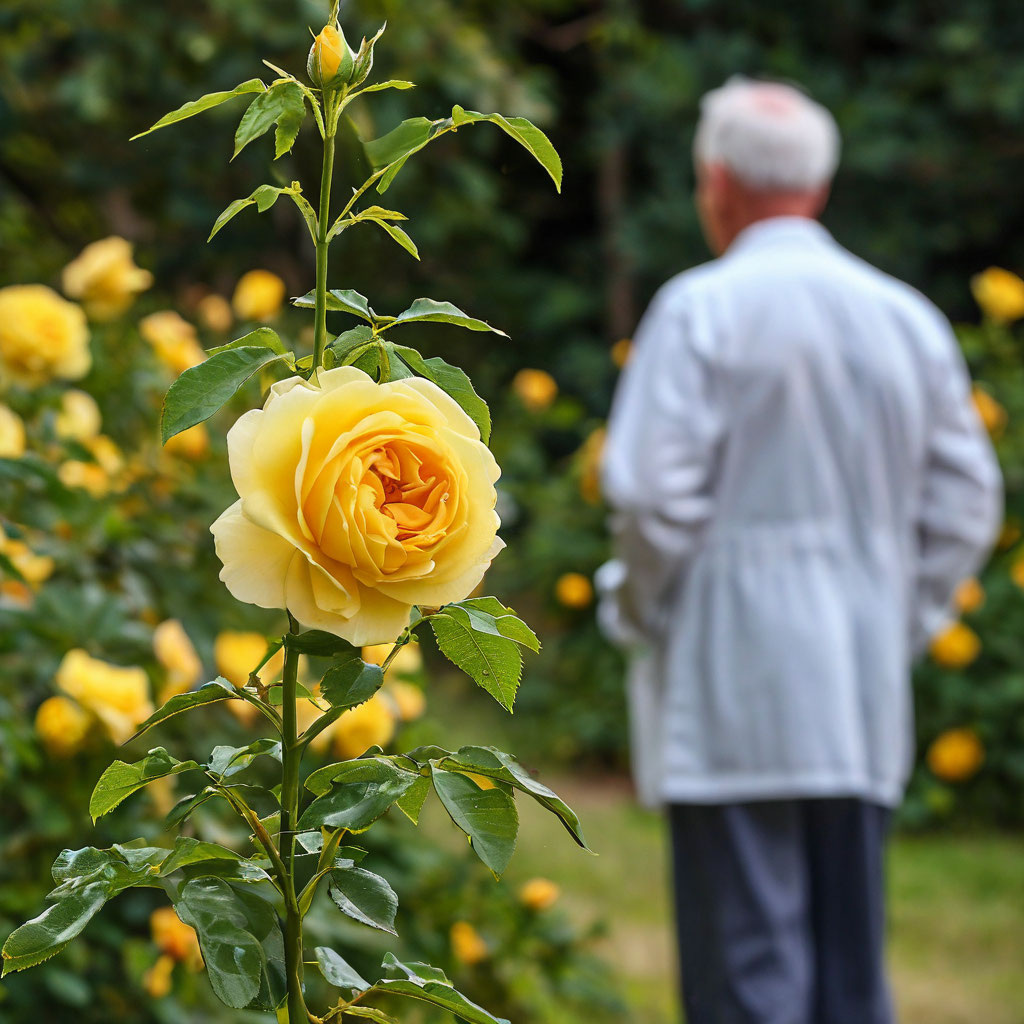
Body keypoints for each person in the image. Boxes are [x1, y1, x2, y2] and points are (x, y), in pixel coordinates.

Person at [598, 77, 1002, 1024]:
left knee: (747, 978)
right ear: (817, 187)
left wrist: (644, 609)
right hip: (858, 687)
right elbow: (968, 501)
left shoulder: (700, 309)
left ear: (718, 182)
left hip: (732, 674)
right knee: (850, 980)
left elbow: (653, 495)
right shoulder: (905, 318)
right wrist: (902, 610)